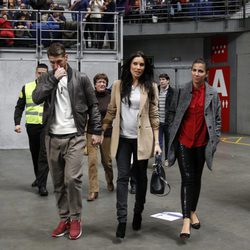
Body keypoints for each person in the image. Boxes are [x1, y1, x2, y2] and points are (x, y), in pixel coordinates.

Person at [32, 43, 102, 240]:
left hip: (75, 136)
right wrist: (53, 79)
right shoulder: (47, 77)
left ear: (67, 57)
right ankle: (64, 218)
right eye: (52, 62)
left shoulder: (81, 78)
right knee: (58, 182)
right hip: (52, 136)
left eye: (59, 61)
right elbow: (36, 98)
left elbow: (93, 105)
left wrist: (96, 130)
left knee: (72, 179)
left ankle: (76, 218)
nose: (56, 65)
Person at [102, 51, 161, 239]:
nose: (138, 67)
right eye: (135, 64)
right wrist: (101, 132)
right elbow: (111, 110)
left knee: (141, 178)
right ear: (129, 65)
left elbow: (154, 115)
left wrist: (157, 143)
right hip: (123, 138)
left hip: (143, 138)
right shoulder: (118, 85)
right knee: (122, 177)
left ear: (145, 68)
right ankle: (121, 219)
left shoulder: (151, 87)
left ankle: (138, 212)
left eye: (141, 65)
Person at [167, 58, 221, 240]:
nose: (197, 74)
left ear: (206, 74)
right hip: (184, 141)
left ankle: (192, 211)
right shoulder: (181, 90)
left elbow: (217, 119)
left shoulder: (213, 93)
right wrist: (171, 134)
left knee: (196, 180)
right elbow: (172, 113)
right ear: (191, 71)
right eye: (194, 70)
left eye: (200, 71)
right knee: (187, 179)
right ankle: (185, 221)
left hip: (202, 143)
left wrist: (215, 140)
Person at [14, 63, 49, 196]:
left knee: (43, 154)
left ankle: (42, 186)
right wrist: (17, 123)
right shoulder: (27, 87)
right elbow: (19, 107)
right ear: (36, 73)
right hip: (32, 126)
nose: (41, 75)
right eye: (39, 73)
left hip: (46, 125)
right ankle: (39, 178)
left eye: (44, 73)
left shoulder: (52, 87)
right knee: (35, 153)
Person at [86, 73, 114, 202]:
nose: (102, 84)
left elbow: (113, 114)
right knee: (92, 161)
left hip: (107, 133)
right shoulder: (90, 96)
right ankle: (93, 190)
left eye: (104, 82)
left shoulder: (110, 97)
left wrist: (103, 130)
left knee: (107, 161)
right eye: (99, 82)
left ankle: (109, 180)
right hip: (91, 132)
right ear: (95, 84)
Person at [158, 73, 174, 167]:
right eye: (160, 79)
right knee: (158, 142)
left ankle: (167, 159)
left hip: (168, 122)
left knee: (168, 142)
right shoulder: (156, 90)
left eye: (163, 79)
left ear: (168, 81)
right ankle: (158, 160)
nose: (161, 81)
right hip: (158, 122)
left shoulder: (172, 92)